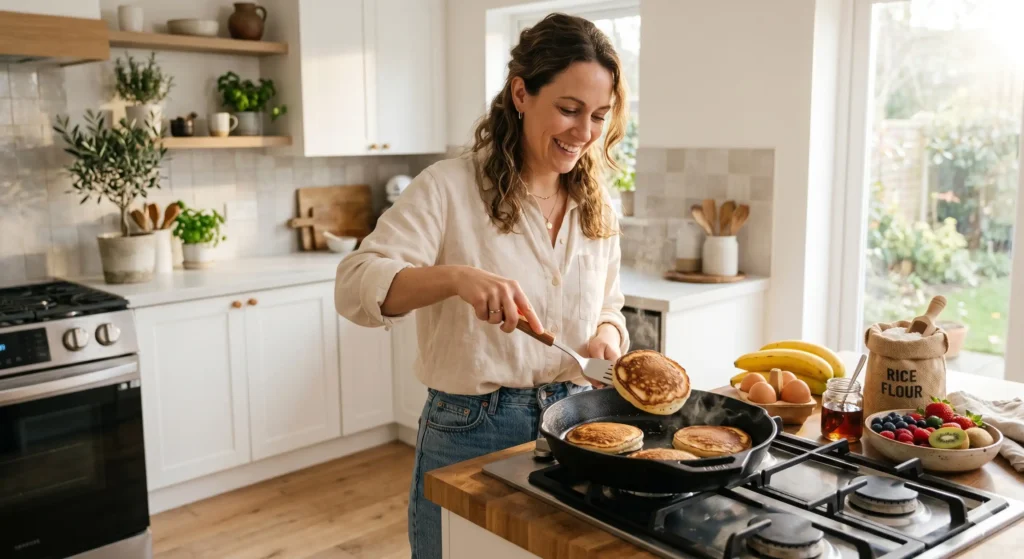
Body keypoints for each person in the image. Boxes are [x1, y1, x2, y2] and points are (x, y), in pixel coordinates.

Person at [333, 12, 631, 559]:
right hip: (471, 426)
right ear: (521, 93)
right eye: (567, 110)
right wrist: (453, 278)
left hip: (575, 425)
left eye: (598, 116)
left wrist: (607, 338)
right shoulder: (448, 187)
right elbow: (354, 285)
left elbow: (610, 303)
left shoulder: (599, 205)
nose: (584, 133)